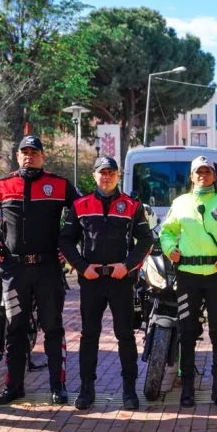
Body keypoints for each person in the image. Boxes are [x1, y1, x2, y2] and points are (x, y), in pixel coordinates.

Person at [0, 135, 79, 406]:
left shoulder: (60, 184)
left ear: (43, 156)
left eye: (34, 152)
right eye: (24, 152)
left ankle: (58, 386)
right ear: (17, 156)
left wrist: (67, 242)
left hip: (48, 268)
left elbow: (82, 212)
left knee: (52, 328)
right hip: (14, 268)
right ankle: (14, 387)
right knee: (16, 328)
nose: (29, 156)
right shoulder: (2, 184)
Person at [59, 156, 152, 410]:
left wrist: (128, 265)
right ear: (94, 175)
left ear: (118, 175)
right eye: (102, 172)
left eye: (111, 172)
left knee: (125, 335)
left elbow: (146, 240)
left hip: (121, 280)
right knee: (89, 336)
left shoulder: (132, 205)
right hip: (91, 280)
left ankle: (129, 391)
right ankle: (86, 389)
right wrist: (81, 266)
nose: (107, 176)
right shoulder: (80, 205)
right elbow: (65, 240)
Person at [159, 156, 217, 407]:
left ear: (214, 176)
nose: (203, 176)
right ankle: (187, 389)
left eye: (207, 172)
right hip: (187, 277)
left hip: (216, 277)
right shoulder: (181, 203)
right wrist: (169, 249)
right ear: (192, 176)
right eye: (199, 172)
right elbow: (167, 232)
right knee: (187, 332)